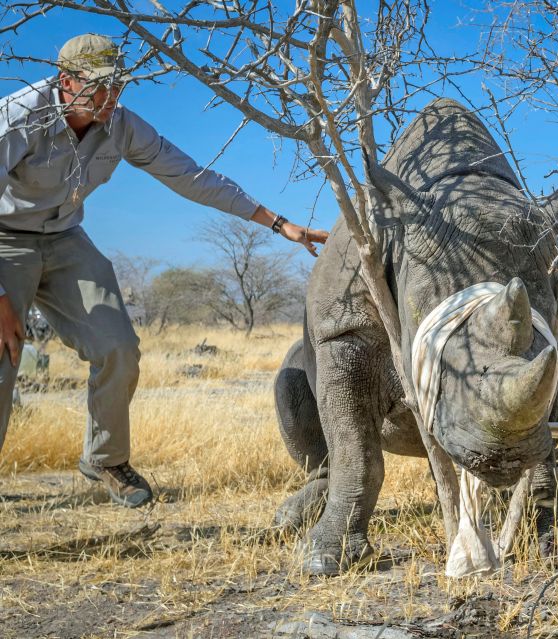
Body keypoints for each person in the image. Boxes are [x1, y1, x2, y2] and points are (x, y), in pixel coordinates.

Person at [0, 34, 329, 508]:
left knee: (118, 346)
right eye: (98, 88)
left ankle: (106, 459)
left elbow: (192, 177)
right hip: (4, 236)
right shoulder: (17, 115)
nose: (111, 99)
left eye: (118, 87)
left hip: (65, 237)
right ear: (65, 81)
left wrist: (278, 223)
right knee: (4, 352)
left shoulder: (121, 124)